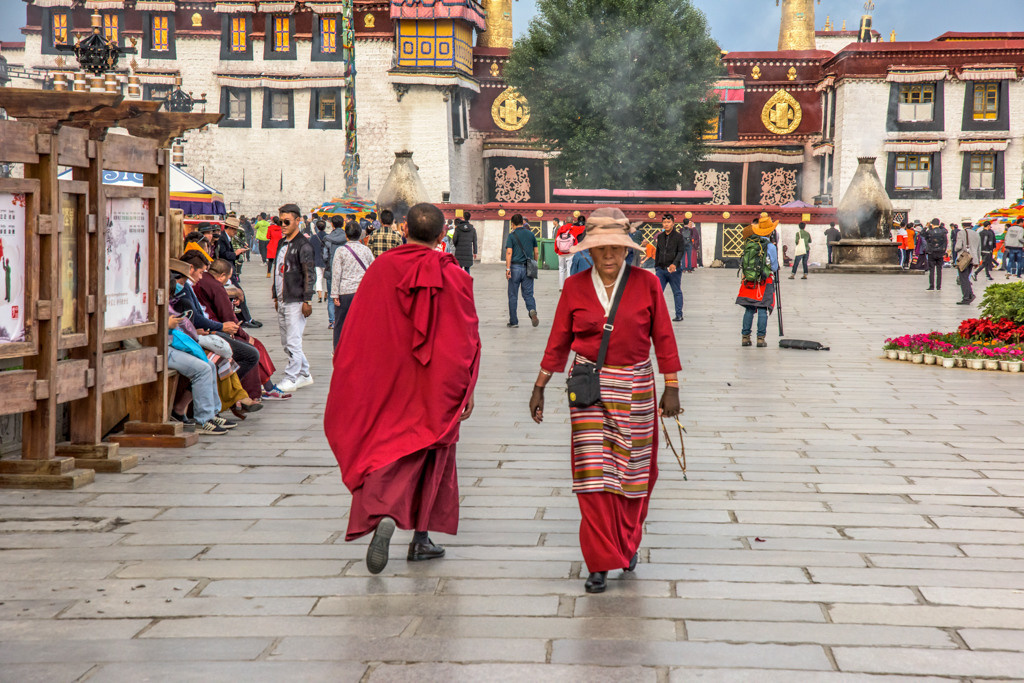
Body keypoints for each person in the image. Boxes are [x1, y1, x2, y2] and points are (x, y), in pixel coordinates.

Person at [530, 207, 681, 595]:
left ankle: (626, 543)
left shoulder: (647, 284)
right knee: (592, 476)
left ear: (627, 250)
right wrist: (541, 384)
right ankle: (598, 561)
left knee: (634, 475)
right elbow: (559, 339)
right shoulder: (575, 287)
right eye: (601, 249)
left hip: (637, 386)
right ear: (589, 253)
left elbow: (663, 335)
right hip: (588, 389)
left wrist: (672, 384)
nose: (610, 256)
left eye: (616, 248)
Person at [326, 202, 480, 575]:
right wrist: (468, 386)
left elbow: (359, 329)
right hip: (436, 382)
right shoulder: (454, 274)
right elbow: (467, 337)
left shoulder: (382, 268)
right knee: (432, 450)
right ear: (443, 235)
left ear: (402, 231)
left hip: (390, 379)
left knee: (388, 445)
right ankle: (421, 538)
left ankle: (382, 510)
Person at [272, 203, 315, 393]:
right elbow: (277, 271)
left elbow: (309, 274)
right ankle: (304, 373)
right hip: (283, 297)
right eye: (280, 221)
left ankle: (291, 377)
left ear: (298, 221)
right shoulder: (283, 243)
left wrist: (307, 300)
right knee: (286, 341)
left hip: (296, 299)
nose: (283, 225)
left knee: (293, 341)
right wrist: (275, 295)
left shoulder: (303, 245)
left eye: (286, 221)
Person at [736, 214, 780, 348]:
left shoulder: (750, 243)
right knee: (762, 309)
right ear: (770, 231)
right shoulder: (770, 246)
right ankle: (760, 339)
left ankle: (745, 337)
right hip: (764, 281)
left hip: (749, 280)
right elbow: (774, 266)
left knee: (749, 309)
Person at [331, 220, 375, 348]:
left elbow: (336, 273)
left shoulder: (341, 251)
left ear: (346, 235)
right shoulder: (365, 250)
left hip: (345, 292)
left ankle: (338, 349)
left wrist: (335, 294)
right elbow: (373, 270)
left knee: (340, 323)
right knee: (362, 323)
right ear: (360, 234)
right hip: (363, 293)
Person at [505, 213, 539, 328]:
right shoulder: (531, 234)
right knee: (528, 294)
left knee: (513, 295)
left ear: (512, 224)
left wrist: (508, 268)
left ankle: (514, 321)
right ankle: (532, 310)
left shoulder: (511, 235)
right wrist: (534, 263)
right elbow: (536, 252)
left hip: (515, 268)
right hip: (527, 268)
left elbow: (509, 252)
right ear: (523, 223)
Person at [654, 213, 684, 322]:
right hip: (661, 270)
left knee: (676, 292)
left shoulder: (678, 237)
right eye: (664, 222)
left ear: (673, 223)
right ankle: (655, 315)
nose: (666, 224)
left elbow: (681, 251)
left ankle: (679, 314)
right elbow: (658, 252)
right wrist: (656, 266)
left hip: (674, 271)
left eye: (668, 222)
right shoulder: (660, 237)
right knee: (657, 292)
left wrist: (675, 264)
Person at [323, 215, 349, 329]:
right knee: (344, 296)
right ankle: (344, 320)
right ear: (343, 224)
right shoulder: (347, 238)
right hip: (345, 272)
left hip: (331, 271)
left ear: (332, 224)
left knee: (330, 297)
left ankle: (332, 321)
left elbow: (324, 256)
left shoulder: (328, 239)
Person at [954, 222, 980, 305]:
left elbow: (958, 246)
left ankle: (967, 296)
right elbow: (979, 248)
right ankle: (969, 295)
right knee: (966, 277)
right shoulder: (976, 234)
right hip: (973, 258)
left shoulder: (961, 233)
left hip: (965, 258)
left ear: (962, 225)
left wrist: (956, 249)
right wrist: (977, 260)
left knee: (963, 278)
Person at [922, 218, 948, 291]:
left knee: (932, 270)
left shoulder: (930, 232)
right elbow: (945, 242)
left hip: (931, 252)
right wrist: (944, 251)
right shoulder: (943, 232)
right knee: (939, 270)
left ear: (932, 224)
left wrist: (926, 227)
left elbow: (922, 234)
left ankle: (931, 285)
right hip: (940, 252)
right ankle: (938, 286)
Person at [308, 219, 328, 303]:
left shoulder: (313, 237)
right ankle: (326, 295)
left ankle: (319, 295)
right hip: (326, 260)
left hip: (317, 260)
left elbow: (310, 249)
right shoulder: (328, 237)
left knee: (318, 278)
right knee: (327, 278)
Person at [554, 218, 577, 289]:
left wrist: (557, 250)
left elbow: (556, 240)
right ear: (573, 221)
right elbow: (575, 241)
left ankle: (561, 287)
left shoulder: (560, 229)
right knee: (569, 269)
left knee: (561, 269)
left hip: (561, 252)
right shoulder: (574, 229)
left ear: (565, 221)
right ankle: (569, 287)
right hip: (570, 252)